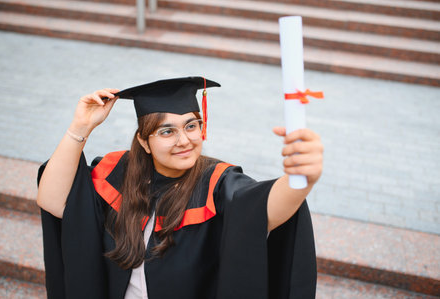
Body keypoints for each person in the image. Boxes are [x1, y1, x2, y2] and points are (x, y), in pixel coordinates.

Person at [36, 76, 323, 299]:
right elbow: (52, 199)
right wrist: (80, 127)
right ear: (144, 142)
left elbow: (263, 210)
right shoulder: (116, 172)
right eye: (167, 131)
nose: (184, 140)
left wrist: (301, 179)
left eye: (191, 126)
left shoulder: (217, 180)